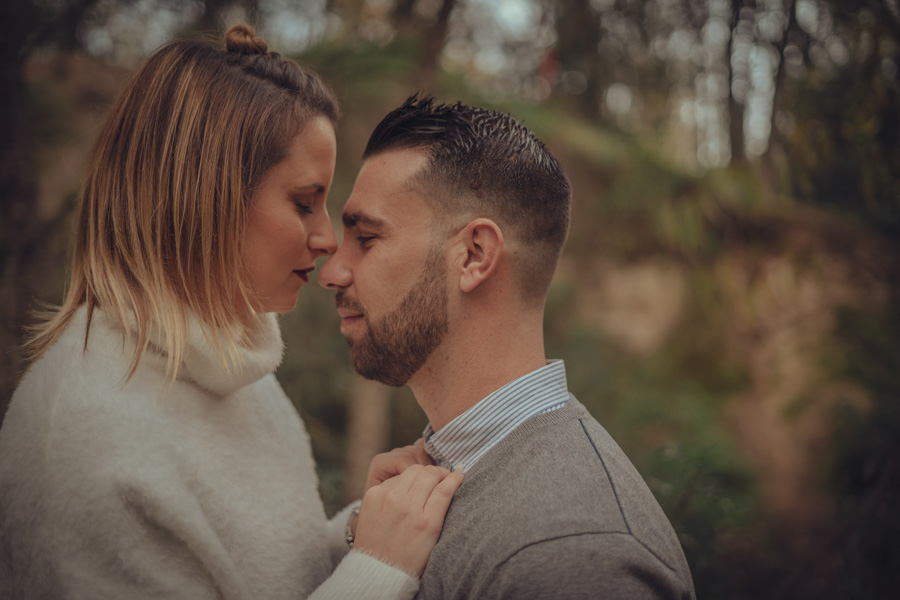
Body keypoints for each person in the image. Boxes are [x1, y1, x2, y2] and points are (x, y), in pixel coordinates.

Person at [0, 26, 461, 600]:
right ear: (205, 196)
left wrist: (362, 530)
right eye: (303, 203)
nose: (326, 240)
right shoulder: (85, 437)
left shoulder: (235, 374)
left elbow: (264, 577)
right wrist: (378, 568)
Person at [319, 95, 697, 599]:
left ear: (475, 255)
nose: (332, 272)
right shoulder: (441, 483)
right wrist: (363, 539)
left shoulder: (574, 556)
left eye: (366, 238)